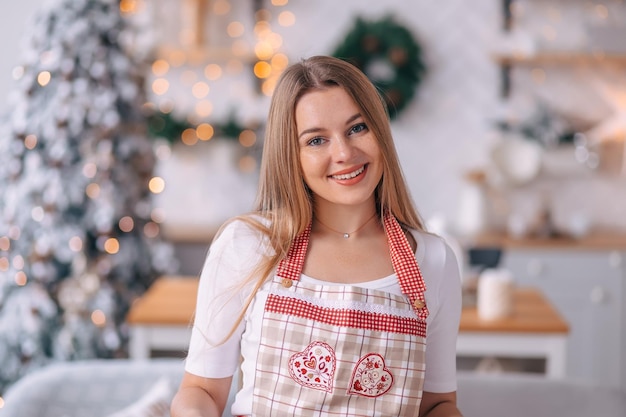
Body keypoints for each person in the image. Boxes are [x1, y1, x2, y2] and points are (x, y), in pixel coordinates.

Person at [170, 55, 463, 417]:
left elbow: (436, 405)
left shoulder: (432, 259)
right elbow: (200, 392)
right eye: (316, 140)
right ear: (291, 155)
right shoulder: (247, 245)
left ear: (380, 131)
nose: (343, 153)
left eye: (357, 128)